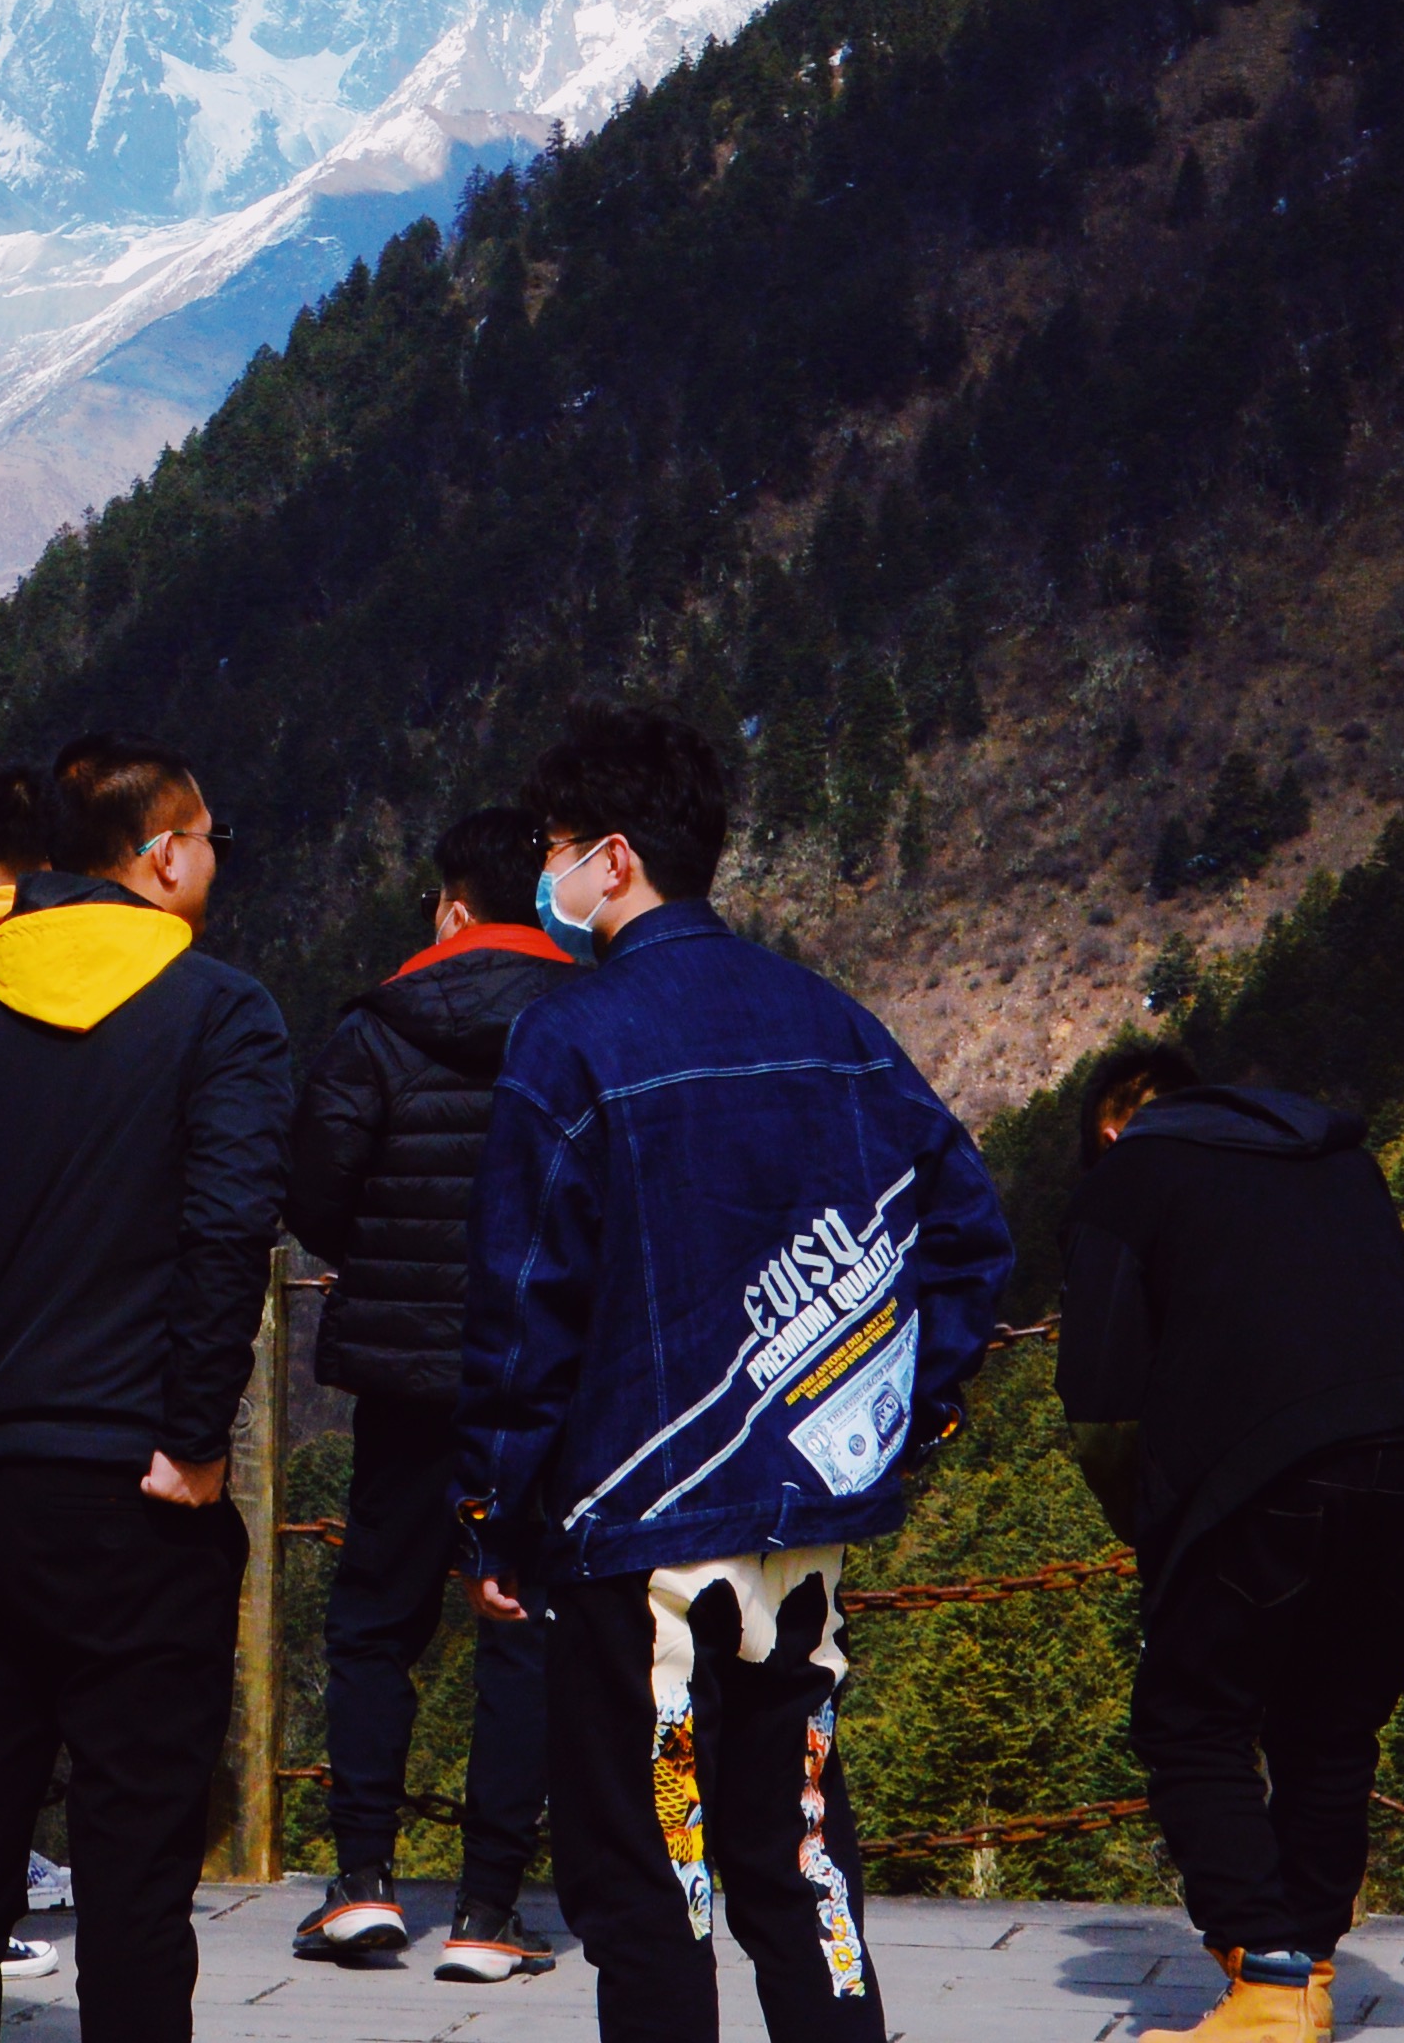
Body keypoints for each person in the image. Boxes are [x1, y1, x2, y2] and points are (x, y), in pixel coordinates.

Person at [465, 710, 1006, 2043]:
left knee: (649, 1882)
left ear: (613, 857)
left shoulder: (568, 1036)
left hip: (635, 1532)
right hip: (802, 1524)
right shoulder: (832, 1020)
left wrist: (495, 1511)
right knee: (802, 1867)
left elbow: (526, 1305)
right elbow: (969, 1230)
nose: (546, 872)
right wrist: (898, 1412)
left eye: (554, 846)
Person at [0, 738, 290, 2043]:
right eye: (210, 839)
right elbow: (228, 1229)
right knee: (136, 1875)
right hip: (143, 1494)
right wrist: (194, 1435)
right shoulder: (220, 1013)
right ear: (164, 855)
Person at [1057, 1040, 1404, 2043]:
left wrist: (1154, 1537)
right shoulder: (1336, 1155)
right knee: (1329, 1722)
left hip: (1267, 1470)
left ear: (1111, 1129)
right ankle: (1311, 1974)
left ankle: (1267, 1989)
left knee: (1188, 1717)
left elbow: (1102, 1404)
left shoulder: (1131, 1171)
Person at [278, 804, 573, 1978]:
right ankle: (490, 1909)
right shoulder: (587, 1021)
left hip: (405, 1377)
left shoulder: (376, 1027)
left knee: (373, 1622)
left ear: (451, 907)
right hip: (543, 1374)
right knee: (520, 1621)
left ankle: (362, 1883)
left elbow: (314, 1194)